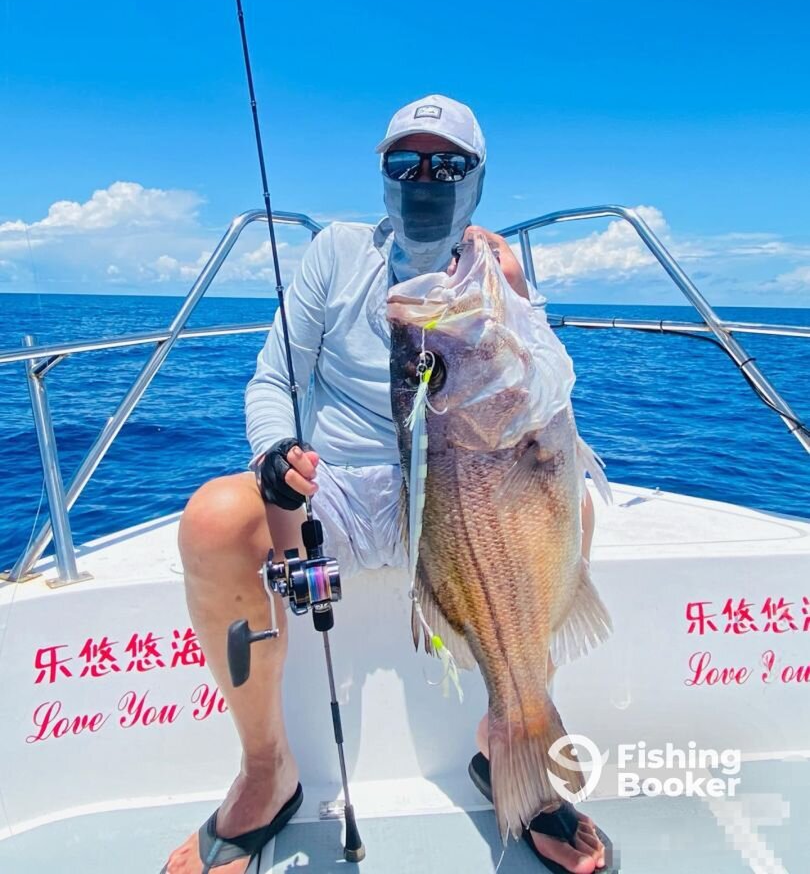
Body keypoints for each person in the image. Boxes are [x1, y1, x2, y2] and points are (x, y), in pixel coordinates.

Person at [161, 95, 610, 874]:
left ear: (477, 178)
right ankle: (267, 771)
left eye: (448, 164)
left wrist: (518, 294)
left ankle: (510, 730)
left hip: (454, 494)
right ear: (383, 175)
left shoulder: (496, 269)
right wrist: (275, 452)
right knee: (213, 518)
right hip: (336, 488)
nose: (425, 178)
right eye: (406, 162)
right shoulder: (335, 253)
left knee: (571, 509)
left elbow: (547, 379)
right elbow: (273, 378)